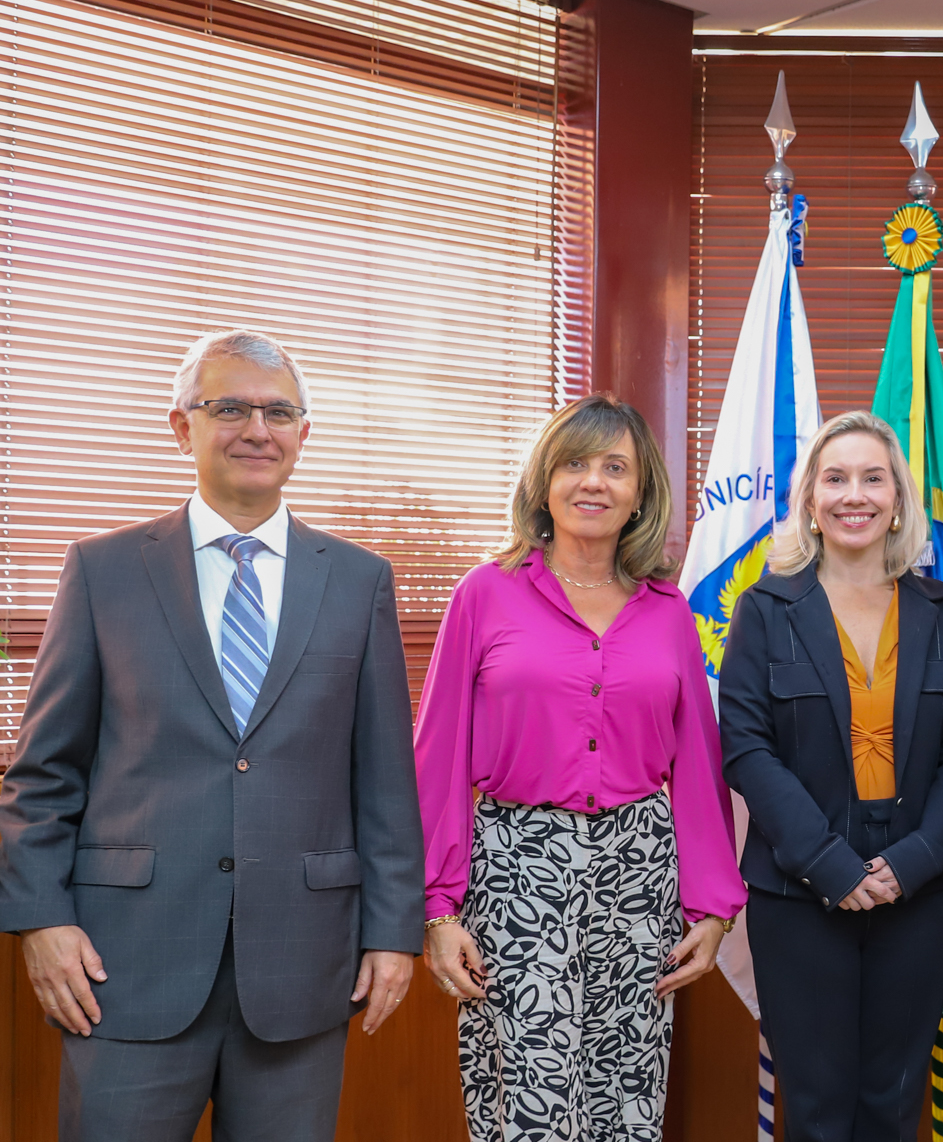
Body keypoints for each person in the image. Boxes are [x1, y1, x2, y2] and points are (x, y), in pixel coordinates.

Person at [0, 329, 423, 1142]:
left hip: (303, 968)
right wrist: (40, 922)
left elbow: (383, 779)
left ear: (304, 434)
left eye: (277, 412)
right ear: (181, 425)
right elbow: (42, 773)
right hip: (122, 966)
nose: (255, 429)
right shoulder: (104, 571)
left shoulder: (360, 578)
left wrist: (394, 933)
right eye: (227, 407)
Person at [416, 393, 745, 1141]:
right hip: (517, 867)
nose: (593, 482)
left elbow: (697, 764)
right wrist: (437, 910)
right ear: (543, 482)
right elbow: (436, 759)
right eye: (573, 464)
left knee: (626, 1089)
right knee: (527, 1092)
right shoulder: (484, 593)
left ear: (639, 493)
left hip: (639, 873)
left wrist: (714, 907)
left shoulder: (667, 610)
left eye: (615, 467)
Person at [719, 410, 943, 1142]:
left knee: (893, 1106)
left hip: (918, 891)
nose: (854, 495)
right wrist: (831, 866)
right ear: (809, 497)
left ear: (899, 498)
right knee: (814, 1110)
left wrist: (912, 862)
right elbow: (745, 749)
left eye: (874, 478)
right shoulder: (764, 610)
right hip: (797, 892)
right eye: (835, 478)